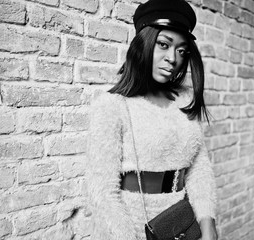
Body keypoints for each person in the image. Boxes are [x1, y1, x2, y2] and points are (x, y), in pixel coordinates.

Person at [85, 0, 218, 239]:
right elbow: (102, 193)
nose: (173, 58)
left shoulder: (184, 99)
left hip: (181, 225)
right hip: (131, 226)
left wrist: (207, 221)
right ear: (144, 43)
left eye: (181, 50)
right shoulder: (112, 105)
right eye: (164, 45)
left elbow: (198, 167)